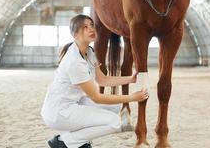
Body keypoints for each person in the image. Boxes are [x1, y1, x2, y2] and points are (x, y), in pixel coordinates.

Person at [41, 14, 149, 148]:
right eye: (85, 27)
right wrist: (132, 97)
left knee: (114, 108)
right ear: (75, 34)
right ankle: (65, 141)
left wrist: (130, 79)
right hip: (58, 112)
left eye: (91, 25)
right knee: (115, 122)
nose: (91, 29)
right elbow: (97, 98)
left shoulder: (89, 52)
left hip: (73, 103)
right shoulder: (74, 61)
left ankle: (77, 140)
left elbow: (102, 79)